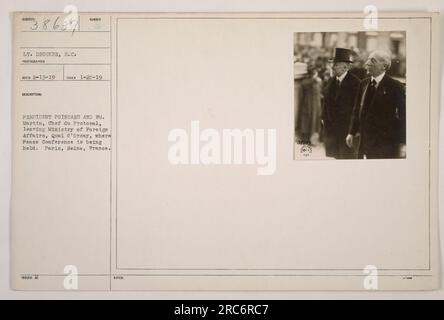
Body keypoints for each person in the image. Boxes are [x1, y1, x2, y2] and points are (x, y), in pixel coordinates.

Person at [346, 50, 406, 159]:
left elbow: (404, 116)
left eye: (372, 60)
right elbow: (356, 110)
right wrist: (351, 132)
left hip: (385, 145)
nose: (367, 63)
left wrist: (403, 143)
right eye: (368, 59)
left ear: (384, 66)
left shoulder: (395, 87)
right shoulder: (363, 84)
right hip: (364, 142)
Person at [322, 48, 360, 159]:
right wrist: (323, 118)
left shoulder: (355, 83)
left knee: (347, 159)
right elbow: (326, 102)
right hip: (332, 130)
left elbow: (357, 108)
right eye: (332, 64)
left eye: (336, 64)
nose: (332, 67)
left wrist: (354, 131)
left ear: (346, 67)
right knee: (335, 158)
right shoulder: (331, 81)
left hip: (346, 131)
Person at [294, 62, 322, 145]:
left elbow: (301, 97)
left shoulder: (304, 83)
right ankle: (310, 139)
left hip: (306, 106)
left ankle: (304, 139)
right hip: (315, 107)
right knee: (312, 122)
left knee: (305, 122)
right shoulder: (316, 82)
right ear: (314, 73)